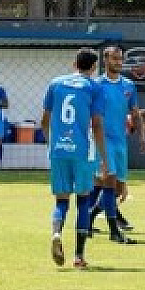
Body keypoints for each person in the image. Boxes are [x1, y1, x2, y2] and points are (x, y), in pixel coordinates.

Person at [42, 48, 109, 269]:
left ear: (74, 64)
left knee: (61, 200)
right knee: (83, 200)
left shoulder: (55, 83)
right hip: (83, 151)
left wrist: (51, 142)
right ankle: (79, 256)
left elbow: (45, 120)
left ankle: (56, 233)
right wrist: (104, 157)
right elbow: (97, 124)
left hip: (59, 149)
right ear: (93, 68)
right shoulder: (94, 87)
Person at [90, 46, 145, 244]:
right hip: (102, 140)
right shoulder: (96, 85)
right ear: (105, 60)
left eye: (120, 59)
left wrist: (141, 136)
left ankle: (88, 218)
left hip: (120, 141)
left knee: (116, 186)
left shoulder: (129, 85)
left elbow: (134, 112)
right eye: (114, 58)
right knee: (109, 180)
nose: (118, 62)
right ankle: (114, 231)